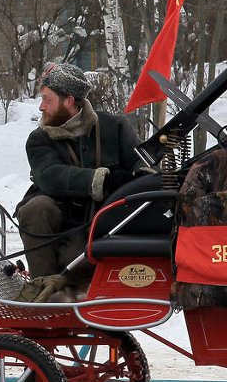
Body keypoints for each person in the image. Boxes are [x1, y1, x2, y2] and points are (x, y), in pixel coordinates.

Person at [15, 62, 145, 300]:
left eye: (47, 100)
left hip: (102, 223)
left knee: (78, 258)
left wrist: (141, 175)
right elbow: (50, 175)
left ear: (69, 102)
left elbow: (141, 164)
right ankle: (44, 290)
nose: (41, 107)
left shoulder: (114, 127)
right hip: (60, 222)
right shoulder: (39, 138)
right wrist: (103, 180)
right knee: (35, 208)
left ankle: (89, 293)